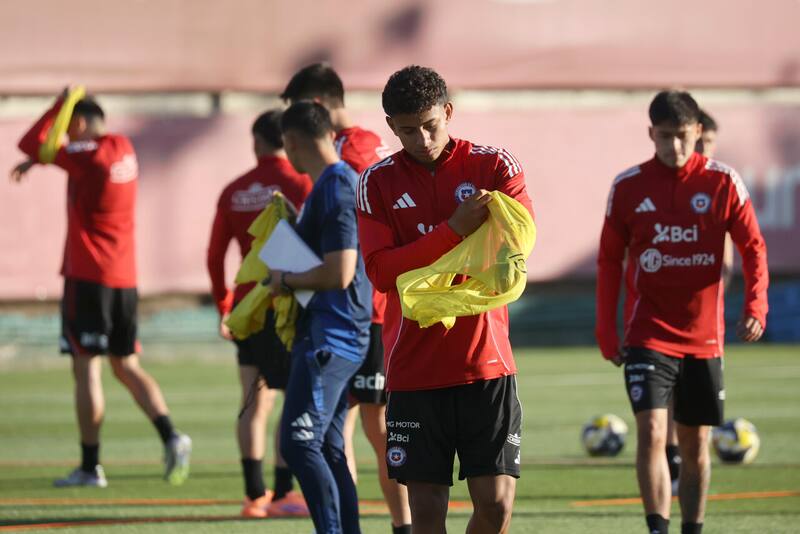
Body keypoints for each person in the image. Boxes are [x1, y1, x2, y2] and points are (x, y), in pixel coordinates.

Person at [356, 65, 534, 533]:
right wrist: (453, 231)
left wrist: (434, 253)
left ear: (448, 112)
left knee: (495, 506)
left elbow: (517, 246)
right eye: (408, 130)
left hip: (485, 362)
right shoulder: (376, 183)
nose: (422, 138)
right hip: (415, 366)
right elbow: (381, 272)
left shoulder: (494, 166)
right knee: (428, 512)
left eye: (430, 125)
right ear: (391, 126)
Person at [595, 90, 769, 534]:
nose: (675, 147)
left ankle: (692, 526)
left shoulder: (723, 182)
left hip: (704, 339)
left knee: (696, 444)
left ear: (698, 133)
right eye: (665, 137)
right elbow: (609, 262)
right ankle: (657, 528)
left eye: (684, 137)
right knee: (653, 433)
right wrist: (607, 331)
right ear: (651, 134)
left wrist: (756, 304)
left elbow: (752, 246)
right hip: (648, 334)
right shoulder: (628, 186)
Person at [11, 90, 192, 488]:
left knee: (86, 368)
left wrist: (60, 104)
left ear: (75, 124)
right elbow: (54, 154)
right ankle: (172, 435)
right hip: (125, 278)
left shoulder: (85, 155)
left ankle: (90, 467)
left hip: (89, 278)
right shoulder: (122, 146)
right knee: (126, 365)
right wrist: (42, 159)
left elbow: (31, 142)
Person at [280, 62, 411, 532]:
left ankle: (398, 526)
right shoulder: (350, 161)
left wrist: (288, 277)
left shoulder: (348, 162)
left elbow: (344, 258)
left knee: (336, 438)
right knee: (339, 440)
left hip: (357, 317)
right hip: (355, 317)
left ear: (312, 109)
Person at [268, 101, 371, 534]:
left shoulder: (337, 186)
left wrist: (285, 279)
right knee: (328, 448)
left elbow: (339, 271)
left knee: (298, 442)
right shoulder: (327, 186)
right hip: (329, 332)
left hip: (335, 336)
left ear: (291, 143)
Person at [206, 110, 313, 517]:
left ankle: (253, 496)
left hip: (249, 307)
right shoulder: (302, 183)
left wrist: (224, 304)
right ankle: (285, 493)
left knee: (252, 399)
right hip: (287, 304)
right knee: (292, 396)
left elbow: (215, 254)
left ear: (256, 142)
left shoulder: (234, 190)